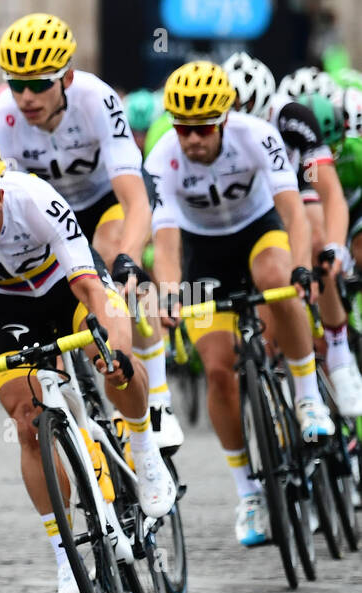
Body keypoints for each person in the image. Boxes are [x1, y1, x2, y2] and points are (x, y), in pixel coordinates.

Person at [0, 136, 176, 593]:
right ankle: (65, 555)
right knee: (25, 420)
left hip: (66, 284)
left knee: (114, 365)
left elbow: (93, 294)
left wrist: (113, 349)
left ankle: (144, 448)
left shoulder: (34, 200)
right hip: (8, 302)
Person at [146, 62, 332, 547]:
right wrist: (168, 293)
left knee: (276, 278)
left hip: (257, 231)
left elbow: (293, 212)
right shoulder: (163, 156)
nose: (192, 140)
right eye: (184, 128)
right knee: (218, 369)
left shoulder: (257, 136)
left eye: (203, 128)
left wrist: (300, 269)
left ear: (224, 119)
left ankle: (308, 396)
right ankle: (248, 492)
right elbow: (165, 247)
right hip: (202, 251)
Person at [0, 13, 181, 448]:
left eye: (39, 84)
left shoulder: (97, 100)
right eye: (16, 85)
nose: (26, 97)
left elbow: (135, 200)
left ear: (67, 78)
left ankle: (157, 393)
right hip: (45, 221)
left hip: (101, 202)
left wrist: (129, 257)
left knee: (113, 264)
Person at [225, 52, 362, 415]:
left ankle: (338, 352)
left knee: (316, 241)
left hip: (298, 184)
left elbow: (330, 193)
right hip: (254, 204)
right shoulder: (218, 131)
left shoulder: (292, 119)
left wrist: (333, 247)